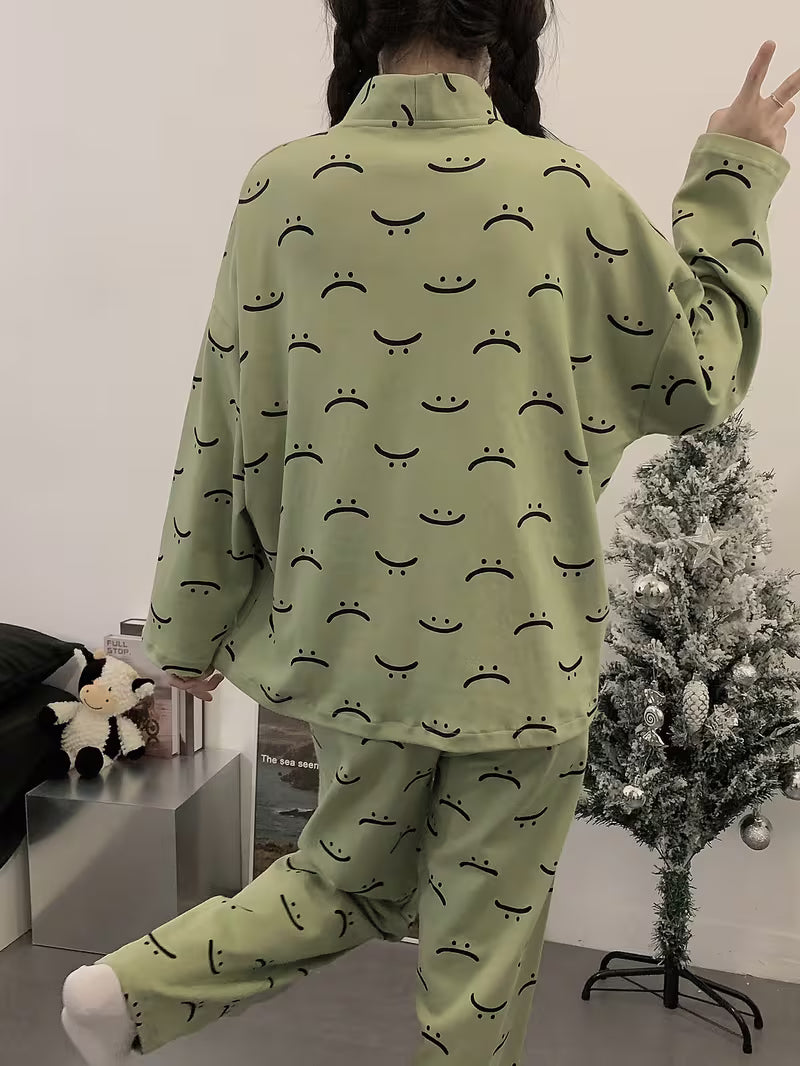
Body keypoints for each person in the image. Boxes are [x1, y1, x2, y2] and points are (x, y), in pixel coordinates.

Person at [60, 1, 796, 1061]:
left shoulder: (282, 192)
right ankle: (134, 995)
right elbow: (700, 372)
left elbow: (226, 423)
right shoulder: (564, 195)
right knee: (479, 958)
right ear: (506, 21)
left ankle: (130, 991)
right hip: (521, 654)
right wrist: (733, 171)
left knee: (343, 879)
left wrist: (187, 629)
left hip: (354, 646)